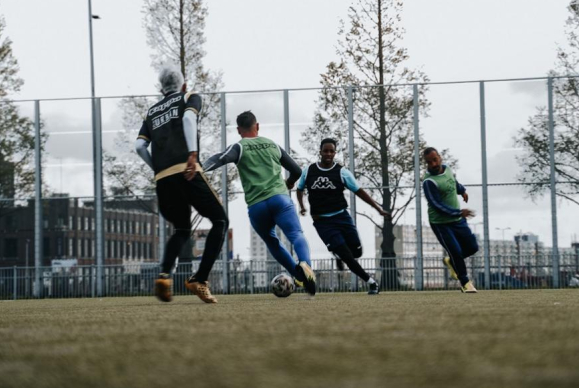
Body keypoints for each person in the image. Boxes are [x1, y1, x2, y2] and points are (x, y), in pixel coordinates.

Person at [134, 64, 228, 304]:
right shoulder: (189, 96)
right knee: (220, 220)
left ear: (161, 88)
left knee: (182, 229)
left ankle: (164, 276)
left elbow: (139, 147)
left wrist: (156, 168)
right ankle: (200, 279)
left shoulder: (151, 112)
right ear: (183, 85)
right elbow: (188, 118)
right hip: (186, 170)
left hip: (163, 178)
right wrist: (192, 154)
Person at [203, 111, 317, 296]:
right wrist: (289, 183)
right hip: (280, 199)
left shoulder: (239, 147)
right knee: (296, 234)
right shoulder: (273, 145)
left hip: (257, 206)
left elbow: (220, 158)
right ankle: (306, 265)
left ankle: (298, 275)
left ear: (239, 130)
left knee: (273, 242)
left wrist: (200, 167)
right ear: (257, 126)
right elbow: (296, 170)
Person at [296, 138, 389, 295]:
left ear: (335, 153)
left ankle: (339, 256)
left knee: (357, 253)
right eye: (325, 150)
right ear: (320, 151)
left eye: (331, 151)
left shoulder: (342, 172)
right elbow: (299, 189)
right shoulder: (309, 171)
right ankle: (371, 283)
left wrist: (378, 209)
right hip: (323, 222)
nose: (328, 153)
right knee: (347, 256)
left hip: (342, 218)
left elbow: (359, 191)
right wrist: (303, 206)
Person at [421, 147, 479, 293]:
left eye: (435, 159)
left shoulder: (447, 169)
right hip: (441, 224)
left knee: (473, 247)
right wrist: (458, 212)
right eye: (429, 162)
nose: (433, 164)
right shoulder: (429, 182)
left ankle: (450, 261)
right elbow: (437, 205)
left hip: (458, 220)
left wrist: (462, 190)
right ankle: (465, 283)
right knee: (456, 251)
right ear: (426, 164)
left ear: (439, 157)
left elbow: (453, 182)